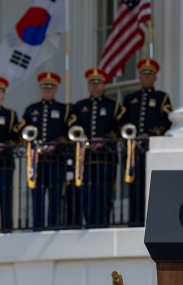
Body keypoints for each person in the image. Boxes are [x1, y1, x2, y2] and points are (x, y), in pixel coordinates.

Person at [14, 72, 77, 230]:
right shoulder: (31, 109)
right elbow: (20, 130)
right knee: (37, 195)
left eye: (51, 87)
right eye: (45, 87)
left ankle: (54, 226)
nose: (47, 90)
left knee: (56, 194)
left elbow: (71, 131)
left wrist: (57, 143)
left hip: (57, 160)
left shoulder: (65, 109)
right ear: (41, 89)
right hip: (37, 162)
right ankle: (38, 226)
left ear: (56, 89)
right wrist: (31, 143)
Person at [119, 58, 172, 227]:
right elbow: (121, 120)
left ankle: (150, 219)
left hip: (151, 148)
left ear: (155, 77)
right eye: (143, 74)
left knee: (149, 184)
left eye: (150, 74)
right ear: (140, 77)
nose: (146, 77)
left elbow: (166, 120)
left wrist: (149, 133)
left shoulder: (161, 97)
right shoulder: (130, 98)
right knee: (134, 184)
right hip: (133, 150)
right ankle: (134, 219)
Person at [73, 68, 122, 228]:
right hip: (86, 159)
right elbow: (73, 127)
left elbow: (120, 128)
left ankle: (102, 224)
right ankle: (89, 224)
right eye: (92, 83)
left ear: (104, 85)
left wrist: (105, 139)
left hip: (107, 158)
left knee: (104, 193)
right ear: (88, 86)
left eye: (98, 83)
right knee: (87, 193)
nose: (95, 86)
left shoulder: (113, 106)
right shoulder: (80, 106)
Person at [0, 77, 18, 233]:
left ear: (4, 95)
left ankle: (6, 229)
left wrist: (5, 146)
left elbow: (16, 138)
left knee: (5, 197)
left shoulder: (10, 115)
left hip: (4, 162)